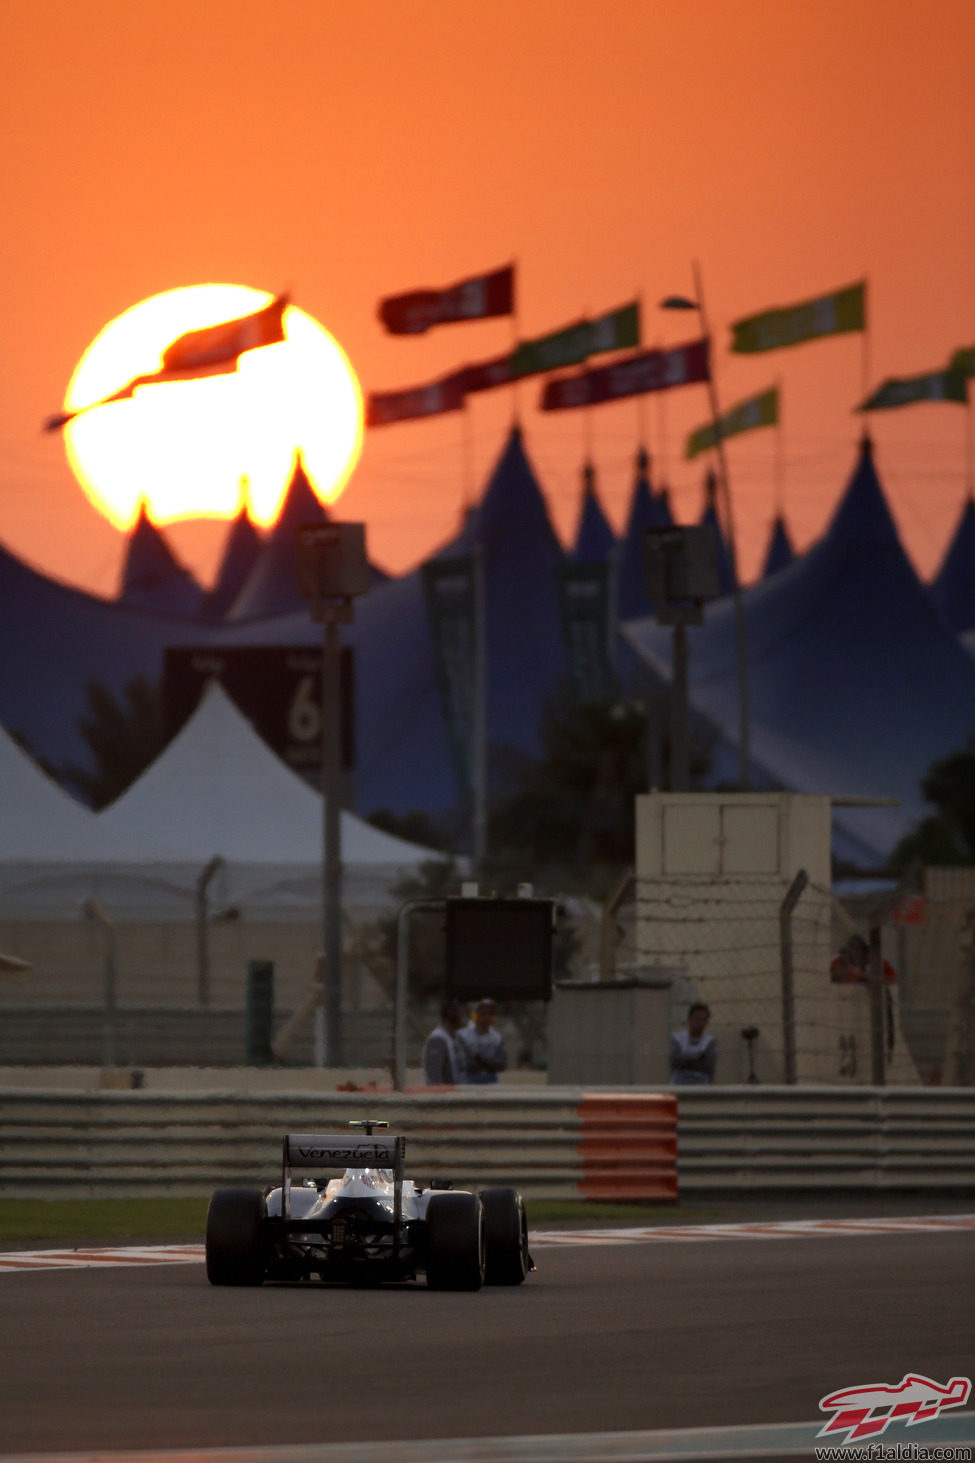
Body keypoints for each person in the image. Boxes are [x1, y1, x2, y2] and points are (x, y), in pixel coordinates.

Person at [455, 997, 508, 1084]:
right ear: (475, 1015)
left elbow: (502, 1064)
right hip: (468, 1079)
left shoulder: (497, 1038)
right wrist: (486, 1062)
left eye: (490, 1014)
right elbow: (462, 1062)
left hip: (490, 1079)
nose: (487, 1016)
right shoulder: (463, 1035)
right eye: (483, 1013)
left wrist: (481, 1060)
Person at [670, 1001, 717, 1085]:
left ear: (706, 1022)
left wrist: (685, 1059)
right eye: (697, 1019)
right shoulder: (678, 1039)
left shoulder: (710, 1041)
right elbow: (675, 1062)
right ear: (689, 1020)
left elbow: (708, 1066)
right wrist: (699, 1058)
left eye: (703, 1020)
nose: (699, 1023)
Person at [421, 999, 465, 1085]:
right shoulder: (437, 1040)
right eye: (461, 1016)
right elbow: (434, 1077)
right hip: (441, 1094)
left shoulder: (452, 1038)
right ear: (454, 1017)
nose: (463, 1020)